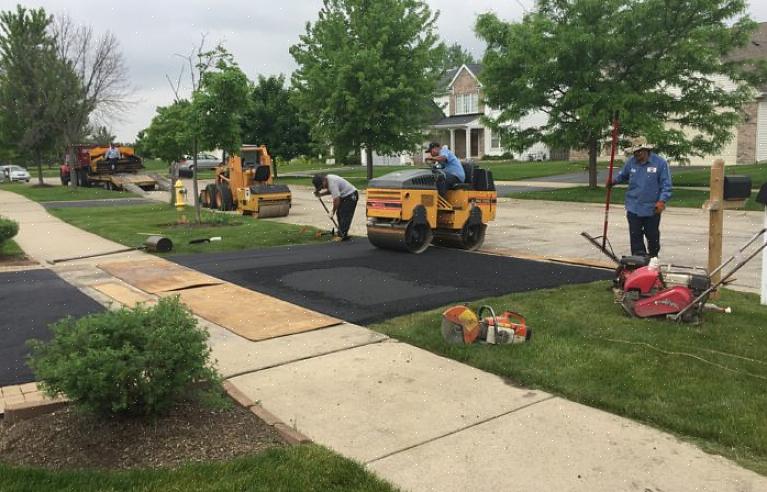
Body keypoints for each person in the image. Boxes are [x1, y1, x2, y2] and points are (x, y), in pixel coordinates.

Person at [609, 137, 672, 258]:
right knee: (635, 236)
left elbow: (666, 185)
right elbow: (622, 175)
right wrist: (613, 181)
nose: (637, 154)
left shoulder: (660, 163)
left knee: (652, 237)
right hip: (633, 207)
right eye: (635, 152)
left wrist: (661, 201)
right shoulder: (631, 162)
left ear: (646, 150)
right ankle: (638, 261)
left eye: (639, 151)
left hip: (652, 208)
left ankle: (653, 259)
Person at [313, 173, 358, 241]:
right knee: (339, 213)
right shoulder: (328, 181)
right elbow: (332, 191)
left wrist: (332, 212)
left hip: (351, 195)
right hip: (344, 196)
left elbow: (336, 199)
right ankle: (342, 233)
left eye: (322, 186)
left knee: (344, 214)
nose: (323, 188)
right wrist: (320, 194)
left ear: (324, 180)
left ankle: (342, 234)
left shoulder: (332, 182)